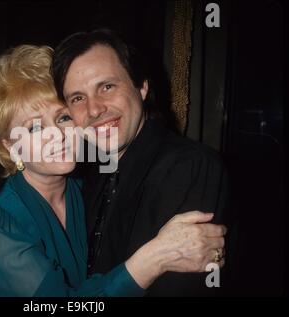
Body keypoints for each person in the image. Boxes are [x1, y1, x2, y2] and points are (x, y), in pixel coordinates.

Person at [0, 44, 227, 296]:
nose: (57, 135)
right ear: (10, 145)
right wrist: (154, 258)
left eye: (63, 118)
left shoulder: (90, 189)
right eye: (34, 128)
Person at [51, 29, 229, 296]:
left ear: (142, 87)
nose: (94, 109)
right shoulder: (92, 173)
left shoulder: (190, 167)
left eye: (107, 87)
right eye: (78, 98)